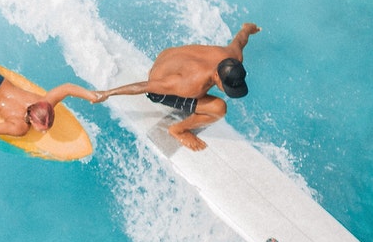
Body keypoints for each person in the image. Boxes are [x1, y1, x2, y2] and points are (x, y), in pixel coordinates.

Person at [94, 22, 261, 151]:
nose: (227, 90)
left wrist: (248, 28)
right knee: (219, 108)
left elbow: (241, 38)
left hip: (168, 57)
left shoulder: (233, 55)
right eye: (226, 87)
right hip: (160, 84)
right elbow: (146, 86)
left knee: (206, 96)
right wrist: (108, 93)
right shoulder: (191, 85)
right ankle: (178, 130)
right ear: (216, 75)